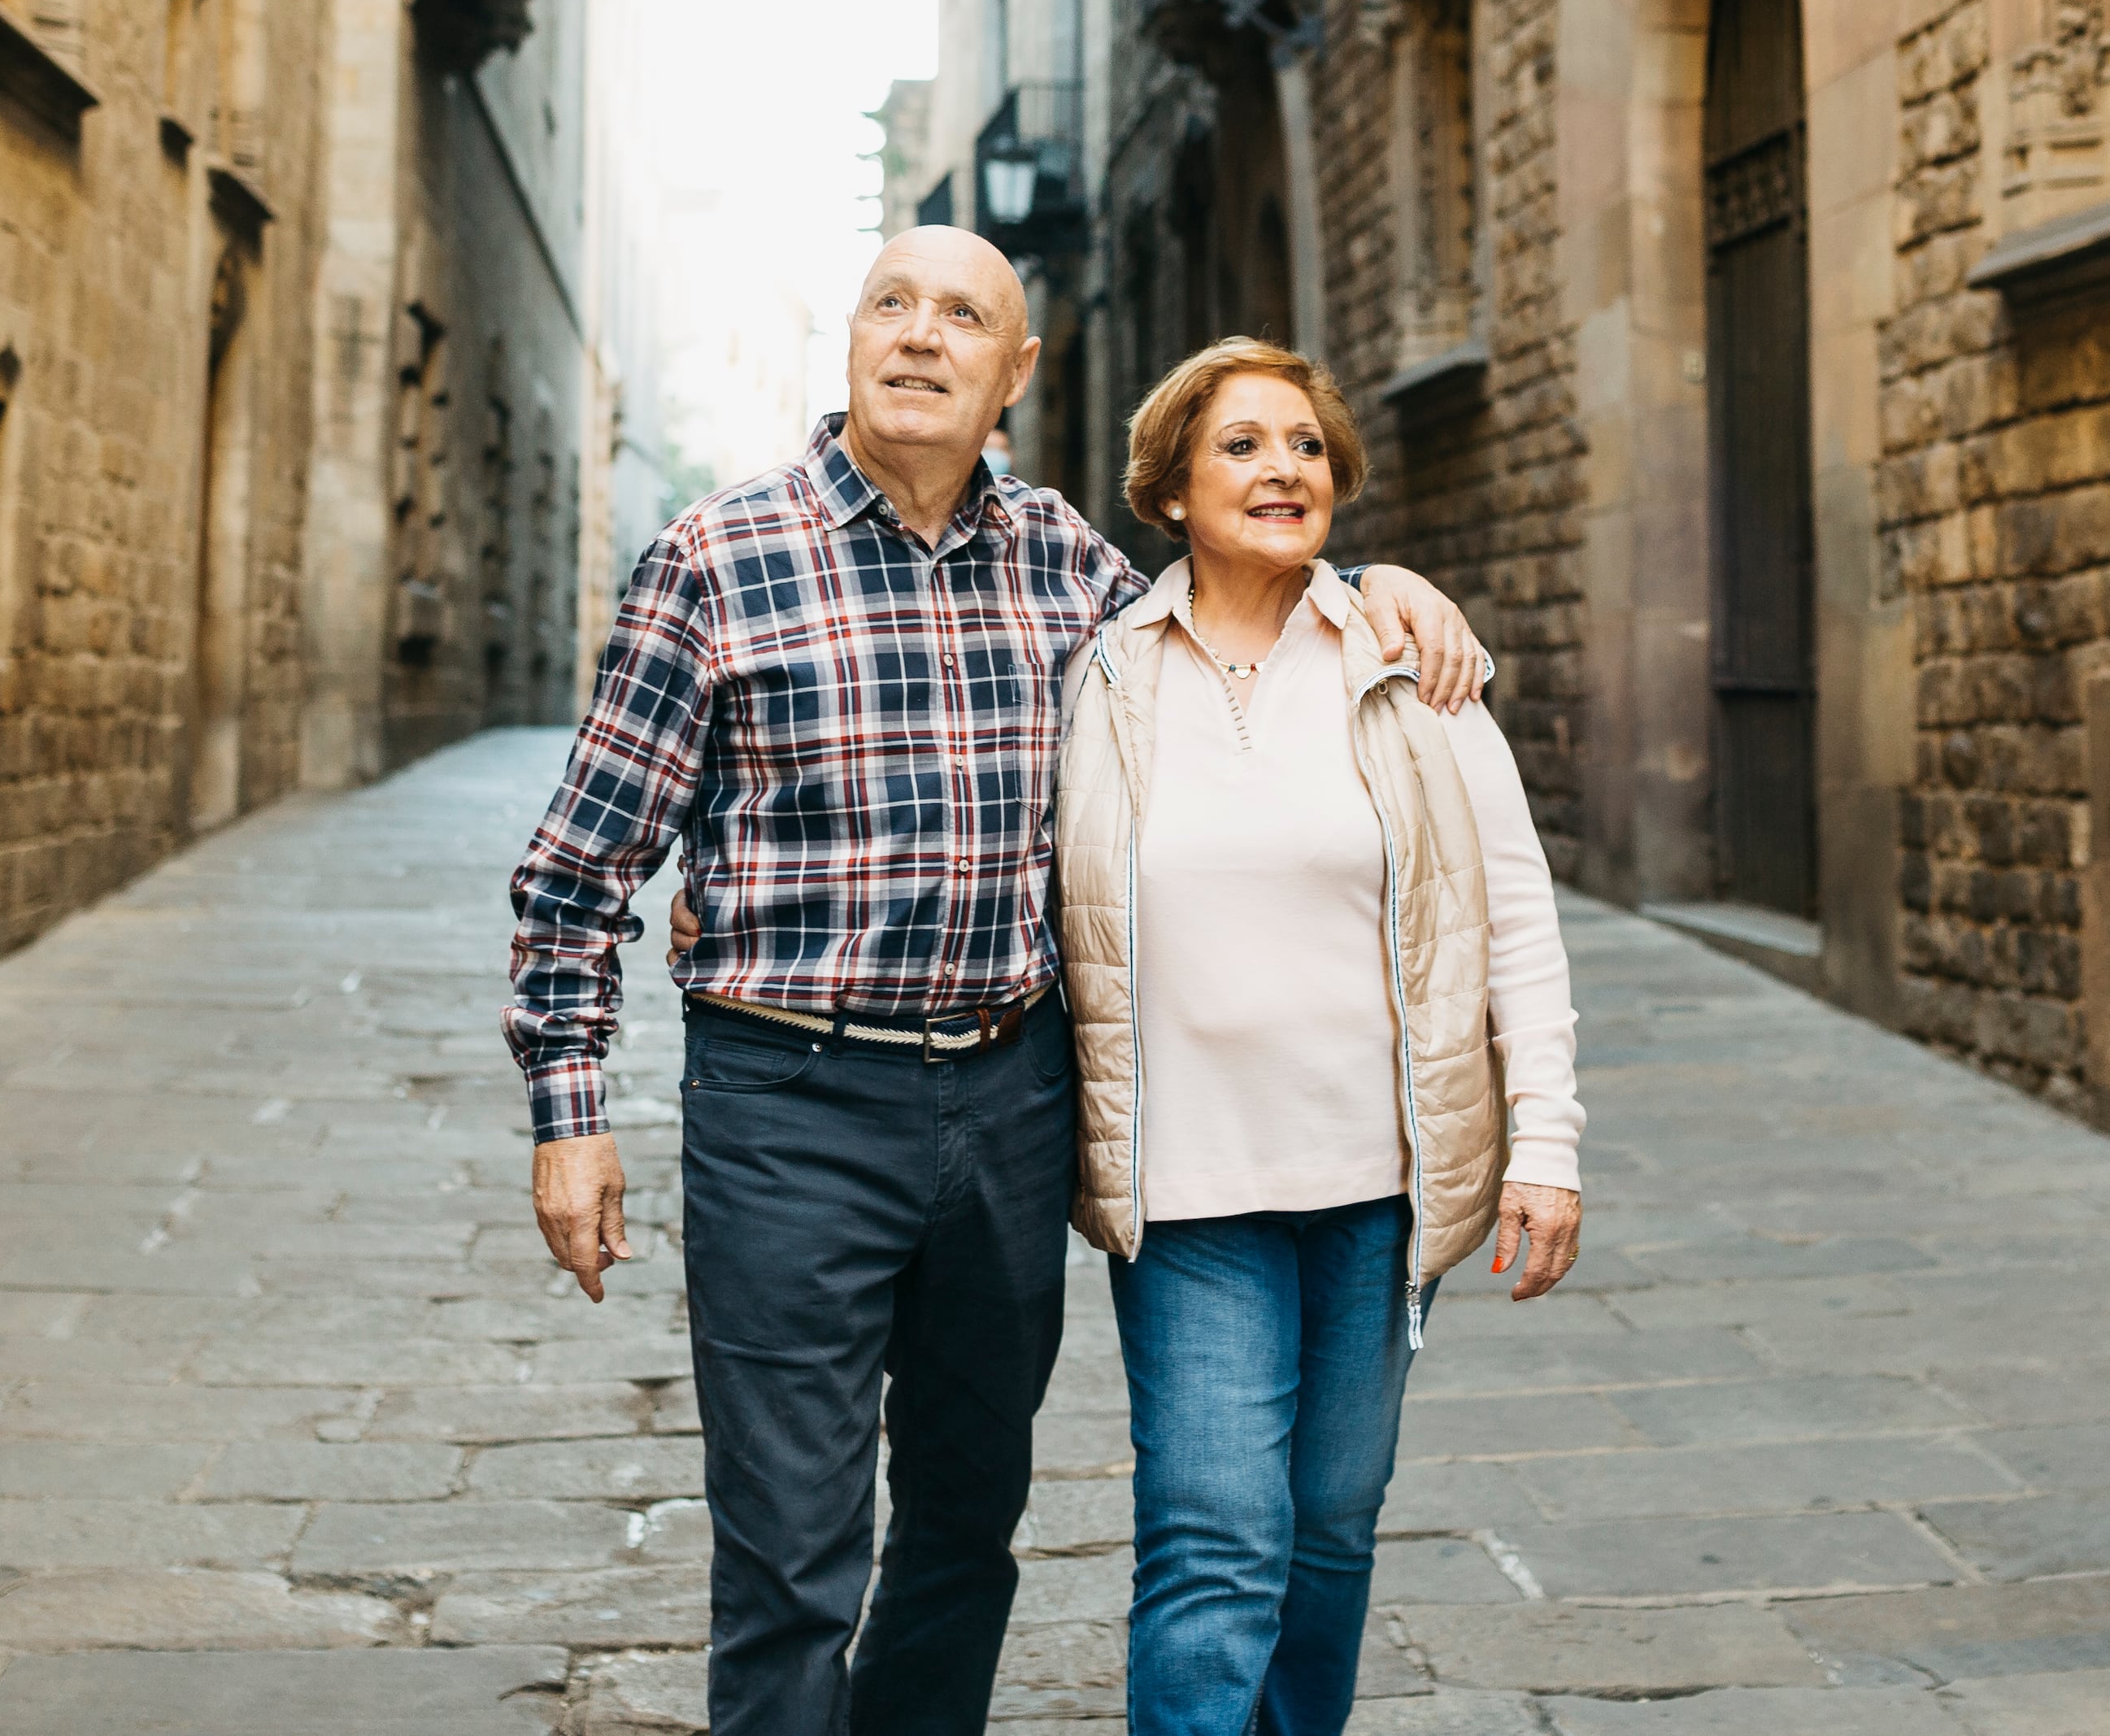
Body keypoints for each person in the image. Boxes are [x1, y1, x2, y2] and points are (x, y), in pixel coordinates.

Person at [506, 229, 1487, 1736]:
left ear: (1014, 373)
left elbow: (1237, 602)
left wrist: (1376, 582)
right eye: (889, 304)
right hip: (789, 1100)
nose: (919, 337)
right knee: (792, 1549)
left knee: (968, 1522)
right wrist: (571, 1115)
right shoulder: (715, 558)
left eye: (962, 315)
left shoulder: (1066, 563)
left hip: (1012, 1098)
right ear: (849, 344)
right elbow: (577, 874)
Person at [1055, 337, 1584, 1736]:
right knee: (1216, 1539)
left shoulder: (1409, 664)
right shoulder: (1098, 676)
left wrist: (1550, 1143)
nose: (1281, 467)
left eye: (1304, 445)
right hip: (1189, 1195)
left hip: (1380, 1188)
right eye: (1241, 444)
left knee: (1333, 1527)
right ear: (1169, 489)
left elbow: (1512, 917)